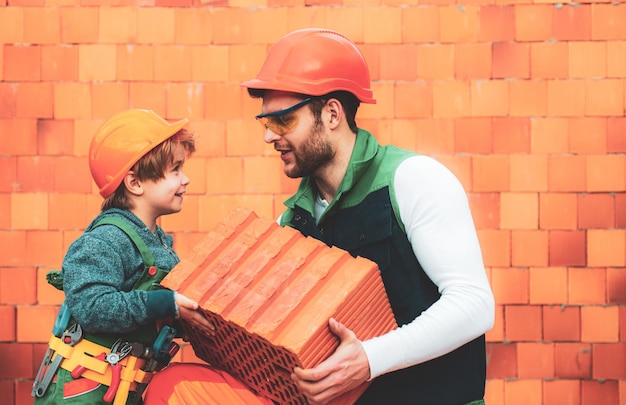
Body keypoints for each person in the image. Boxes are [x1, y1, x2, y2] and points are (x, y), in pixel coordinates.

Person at [240, 28, 495, 405]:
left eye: (283, 121)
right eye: (266, 123)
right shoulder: (291, 223)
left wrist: (371, 359)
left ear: (331, 114)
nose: (269, 137)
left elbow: (474, 305)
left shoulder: (413, 180)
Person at [32, 109, 215, 404]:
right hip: (84, 391)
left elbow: (155, 315)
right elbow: (90, 306)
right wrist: (164, 303)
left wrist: (187, 317)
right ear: (135, 183)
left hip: (124, 390)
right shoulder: (105, 240)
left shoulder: (157, 244)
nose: (186, 179)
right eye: (176, 170)